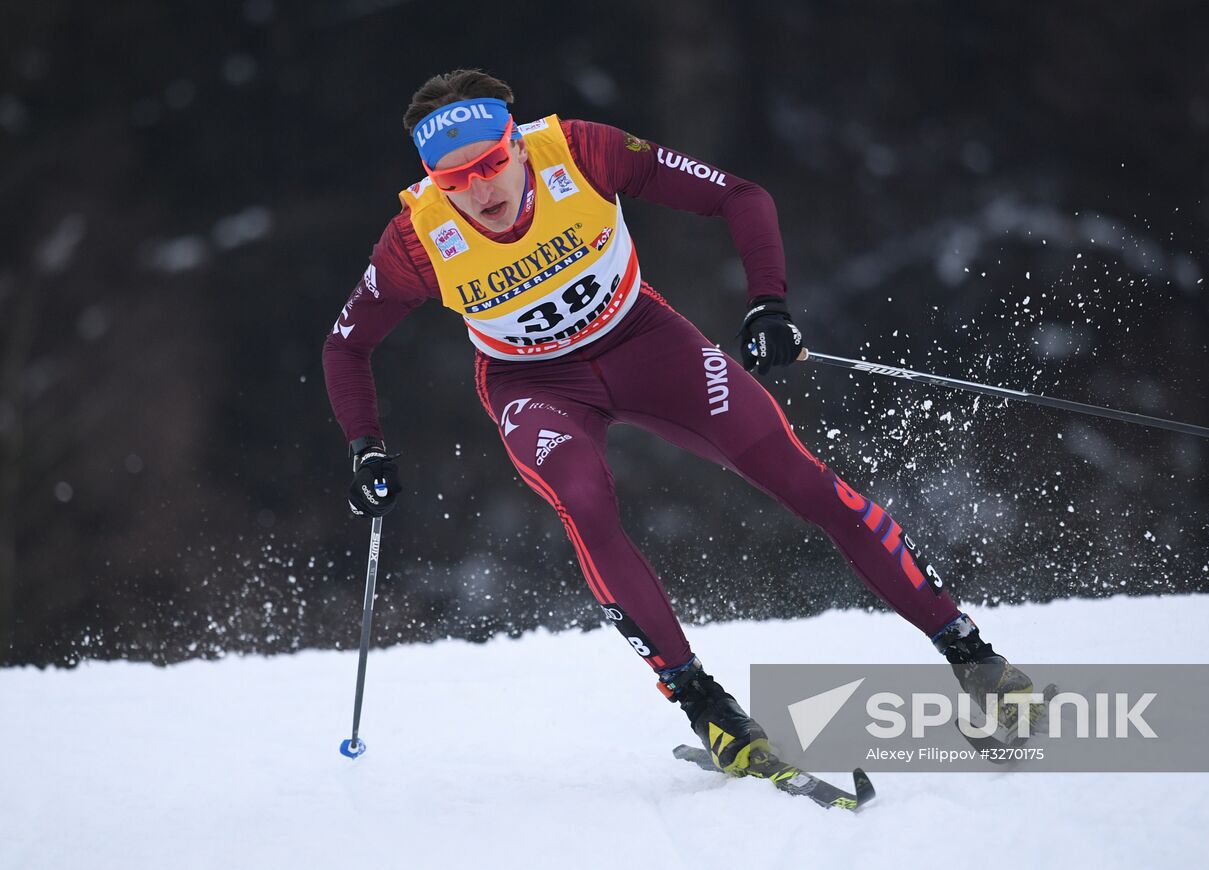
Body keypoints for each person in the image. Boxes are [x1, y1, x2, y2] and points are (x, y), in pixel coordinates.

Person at [322, 69, 1042, 775]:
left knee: (803, 482)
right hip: (533, 384)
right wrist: (366, 449)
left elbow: (740, 196)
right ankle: (706, 705)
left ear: (515, 144)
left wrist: (768, 304)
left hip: (645, 343)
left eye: (487, 165)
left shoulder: (580, 151)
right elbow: (346, 345)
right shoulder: (416, 241)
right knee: (585, 501)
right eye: (454, 181)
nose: (479, 191)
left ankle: (972, 657)